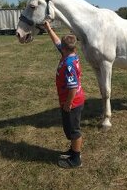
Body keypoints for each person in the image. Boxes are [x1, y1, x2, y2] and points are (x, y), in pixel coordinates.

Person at [44, 21, 85, 168]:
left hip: (72, 102)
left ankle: (76, 159)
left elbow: (73, 87)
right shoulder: (70, 53)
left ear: (65, 49)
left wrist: (68, 104)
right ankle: (73, 150)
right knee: (70, 129)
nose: (59, 46)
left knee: (74, 131)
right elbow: (57, 41)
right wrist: (48, 28)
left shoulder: (69, 64)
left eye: (61, 45)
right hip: (71, 101)